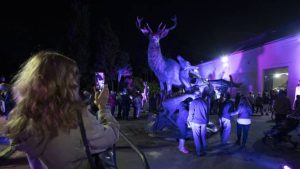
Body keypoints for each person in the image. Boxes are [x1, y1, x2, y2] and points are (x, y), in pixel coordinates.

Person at [6, 51, 119, 169]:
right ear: (68, 83)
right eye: (74, 76)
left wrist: (94, 106)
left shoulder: (20, 117)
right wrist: (103, 107)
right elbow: (111, 136)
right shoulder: (76, 117)